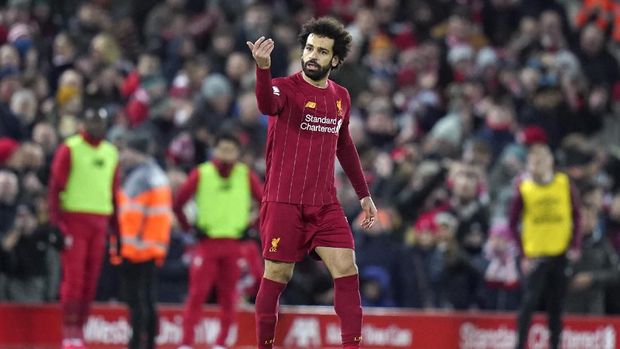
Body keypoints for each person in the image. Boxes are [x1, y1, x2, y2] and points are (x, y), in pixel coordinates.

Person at [246, 17, 377, 349]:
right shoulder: (283, 88)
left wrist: (364, 194)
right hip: (283, 200)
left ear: (335, 60)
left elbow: (344, 145)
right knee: (277, 275)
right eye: (309, 48)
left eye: (321, 51)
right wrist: (262, 69)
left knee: (347, 267)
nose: (312, 56)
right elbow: (266, 104)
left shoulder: (341, 97)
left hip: (325, 203)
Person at [173, 132, 263, 349]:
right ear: (215, 150)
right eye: (222, 149)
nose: (226, 155)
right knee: (197, 293)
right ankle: (186, 342)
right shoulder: (202, 173)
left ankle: (222, 342)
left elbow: (264, 202)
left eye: (230, 150)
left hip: (234, 245)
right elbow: (178, 203)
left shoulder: (244, 174)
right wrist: (189, 228)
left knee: (228, 296)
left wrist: (251, 226)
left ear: (237, 153)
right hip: (207, 243)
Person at [48, 107, 120, 349]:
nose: (96, 126)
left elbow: (114, 193)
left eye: (100, 122)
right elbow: (55, 188)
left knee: (91, 281)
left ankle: (81, 330)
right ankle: (69, 332)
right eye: (91, 121)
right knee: (74, 279)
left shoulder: (111, 153)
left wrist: (116, 229)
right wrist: (57, 224)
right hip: (74, 220)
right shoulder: (71, 148)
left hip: (100, 222)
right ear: (83, 123)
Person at [509, 143, 581, 349]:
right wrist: (522, 253)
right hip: (535, 254)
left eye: (539, 161)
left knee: (556, 306)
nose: (535, 166)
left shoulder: (563, 183)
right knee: (528, 303)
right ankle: (519, 344)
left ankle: (555, 344)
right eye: (532, 162)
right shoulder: (524, 187)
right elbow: (512, 222)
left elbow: (576, 215)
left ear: (549, 161)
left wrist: (575, 245)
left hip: (559, 253)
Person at [116, 133, 172, 349]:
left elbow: (130, 217)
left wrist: (123, 248)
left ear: (134, 151)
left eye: (126, 151)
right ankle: (149, 343)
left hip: (136, 249)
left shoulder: (139, 178)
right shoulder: (158, 175)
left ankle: (136, 344)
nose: (123, 156)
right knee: (149, 300)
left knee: (137, 302)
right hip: (154, 247)